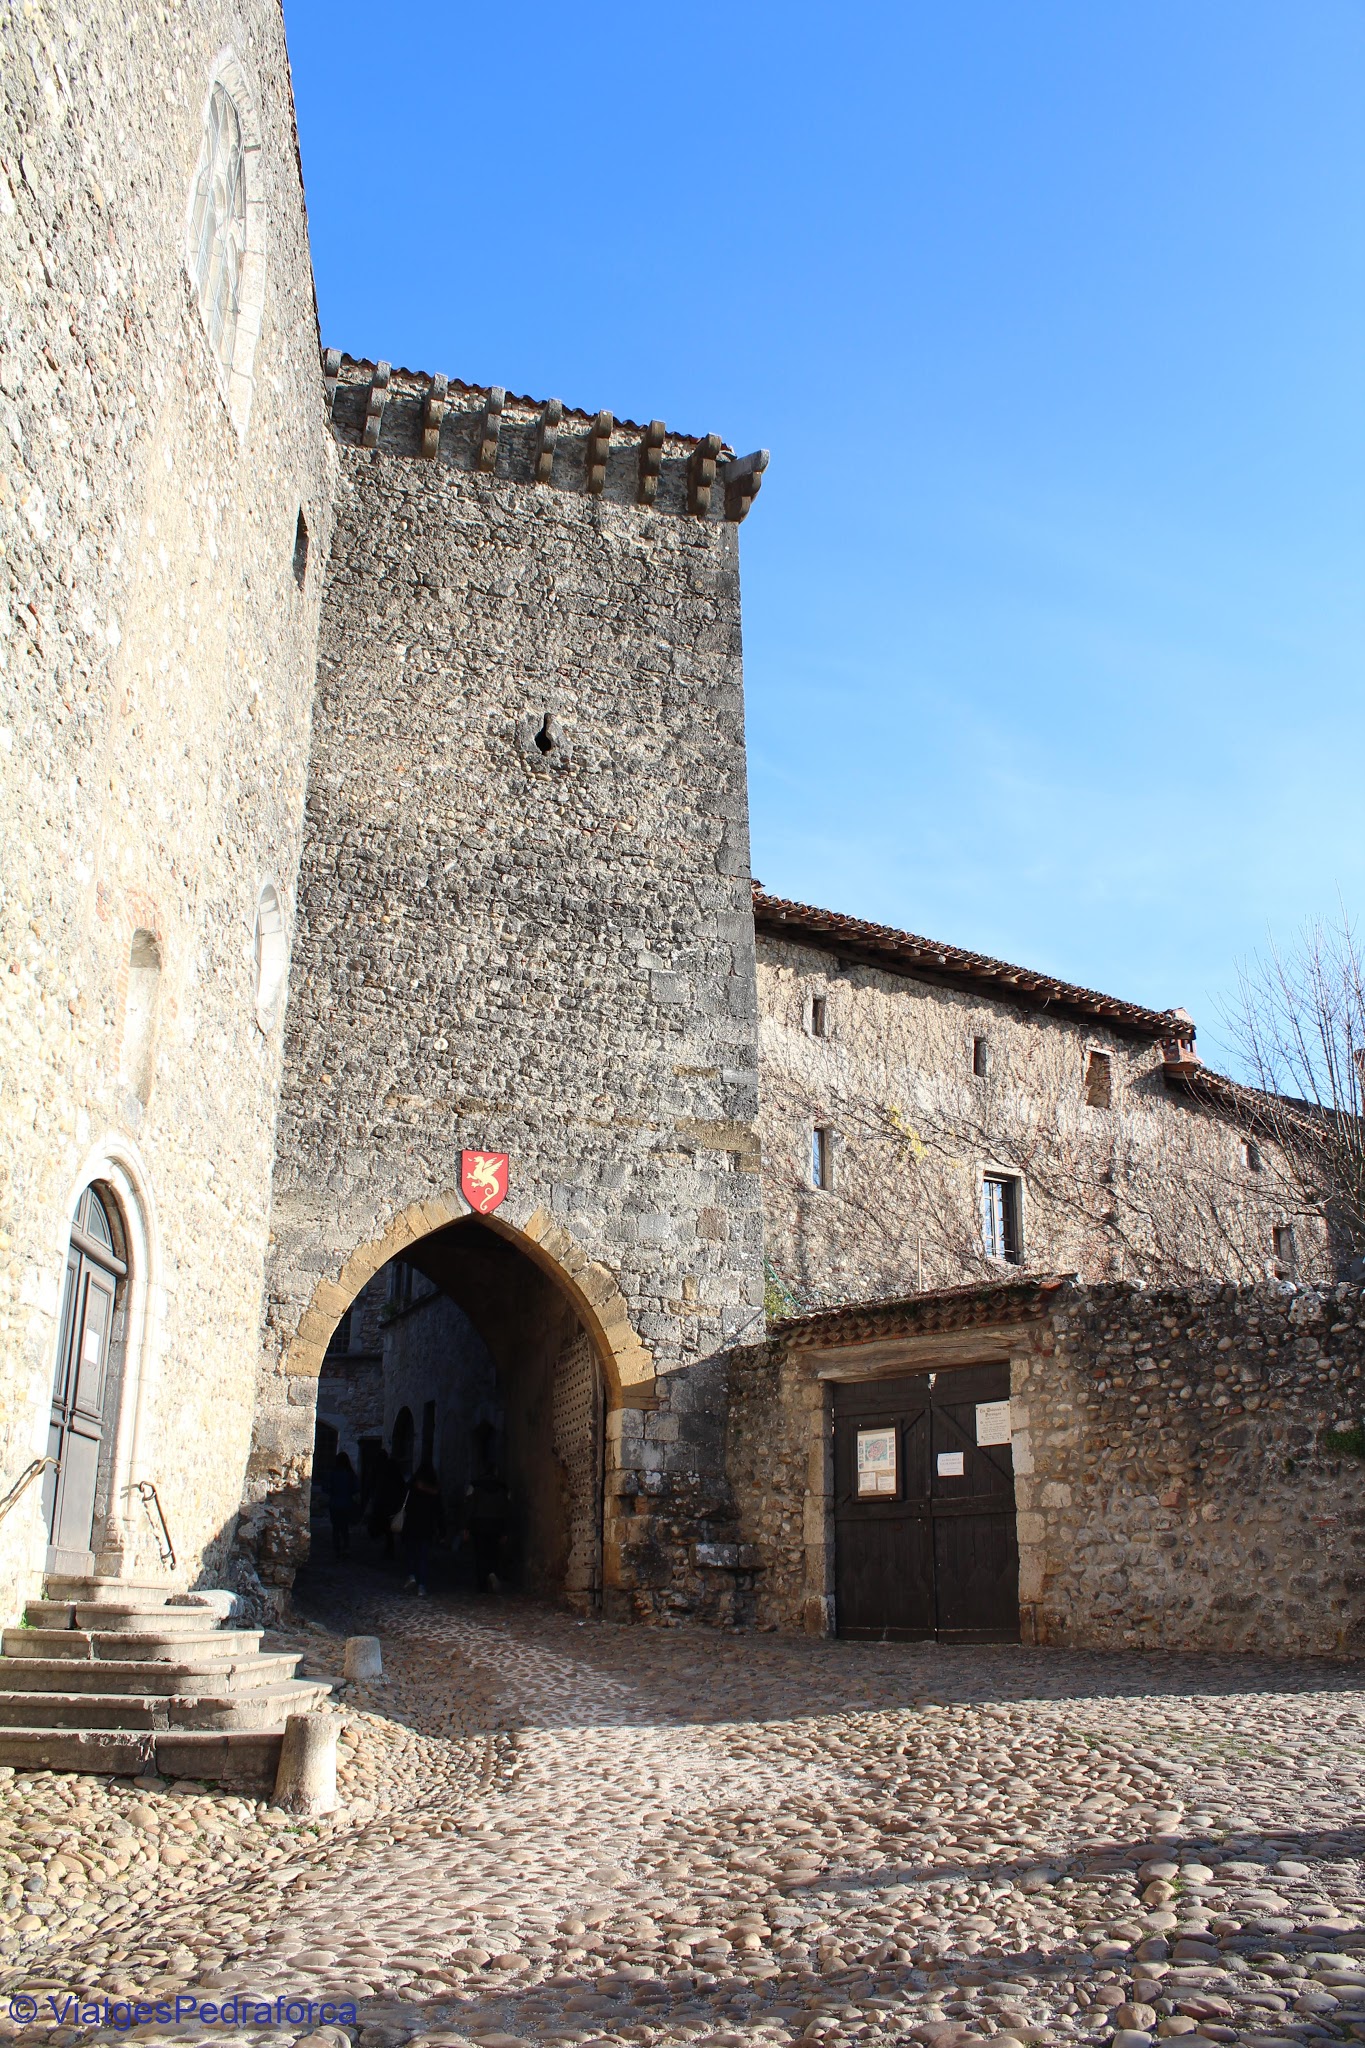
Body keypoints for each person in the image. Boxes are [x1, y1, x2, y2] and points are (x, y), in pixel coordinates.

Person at [464, 1463, 512, 1594]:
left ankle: (482, 1584)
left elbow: (470, 1507)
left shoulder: (475, 1486)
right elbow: (506, 1509)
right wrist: (505, 1531)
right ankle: (492, 1572)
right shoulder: (503, 1488)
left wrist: (466, 1527)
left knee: (480, 1554)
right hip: (496, 1525)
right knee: (494, 1552)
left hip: (479, 1525)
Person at [400, 1458, 444, 1597]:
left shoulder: (412, 1486)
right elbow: (439, 1510)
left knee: (411, 1553)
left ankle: (412, 1575)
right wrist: (442, 1529)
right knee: (423, 1557)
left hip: (412, 1524)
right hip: (427, 1525)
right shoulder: (435, 1490)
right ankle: (422, 1586)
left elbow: (404, 1502)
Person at [367, 1450, 407, 1560]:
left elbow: (371, 1484)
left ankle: (389, 1545)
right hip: (390, 1501)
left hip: (382, 1500)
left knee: (384, 1522)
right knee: (389, 1522)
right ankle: (390, 1545)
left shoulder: (377, 1468)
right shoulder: (391, 1468)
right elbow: (401, 1484)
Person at [327, 1451, 357, 1561]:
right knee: (345, 1527)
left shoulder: (333, 1473)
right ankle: (346, 1548)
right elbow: (356, 1488)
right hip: (346, 1504)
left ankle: (337, 1549)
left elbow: (326, 1487)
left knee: (336, 1528)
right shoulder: (350, 1474)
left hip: (334, 1504)